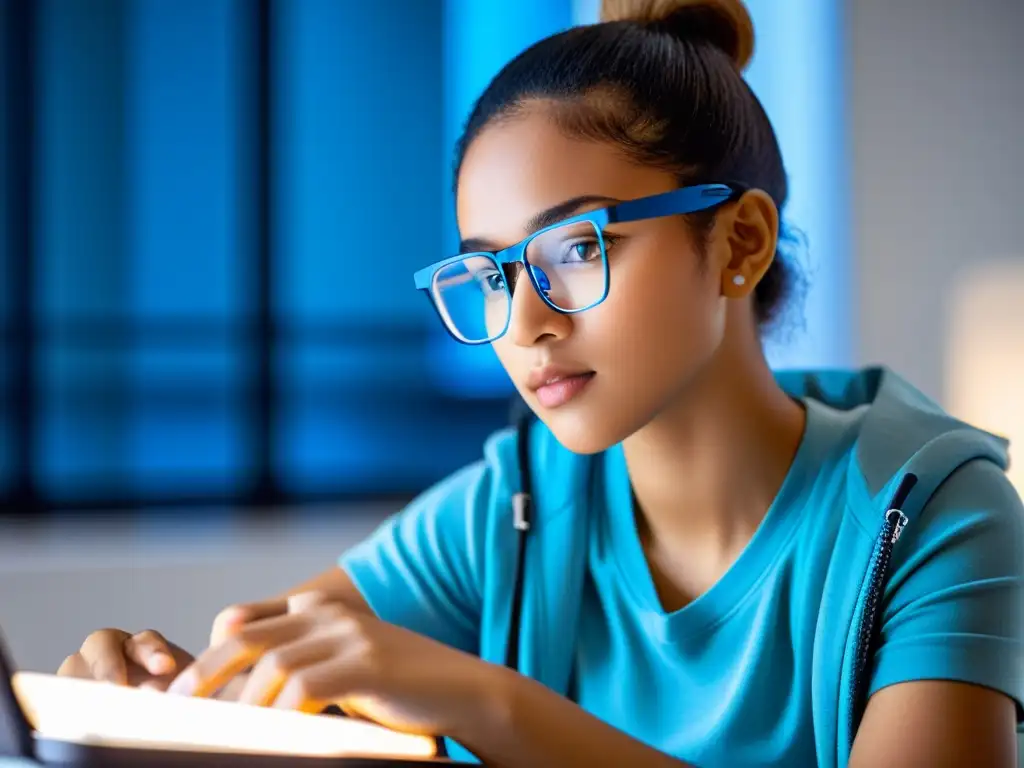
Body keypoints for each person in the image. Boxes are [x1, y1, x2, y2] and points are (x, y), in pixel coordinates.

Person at [56, 0, 1024, 766]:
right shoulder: (512, 509)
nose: (523, 324)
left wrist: (482, 701)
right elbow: (274, 670)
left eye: (574, 247)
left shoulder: (934, 519)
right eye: (489, 273)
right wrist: (158, 701)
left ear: (738, 242)